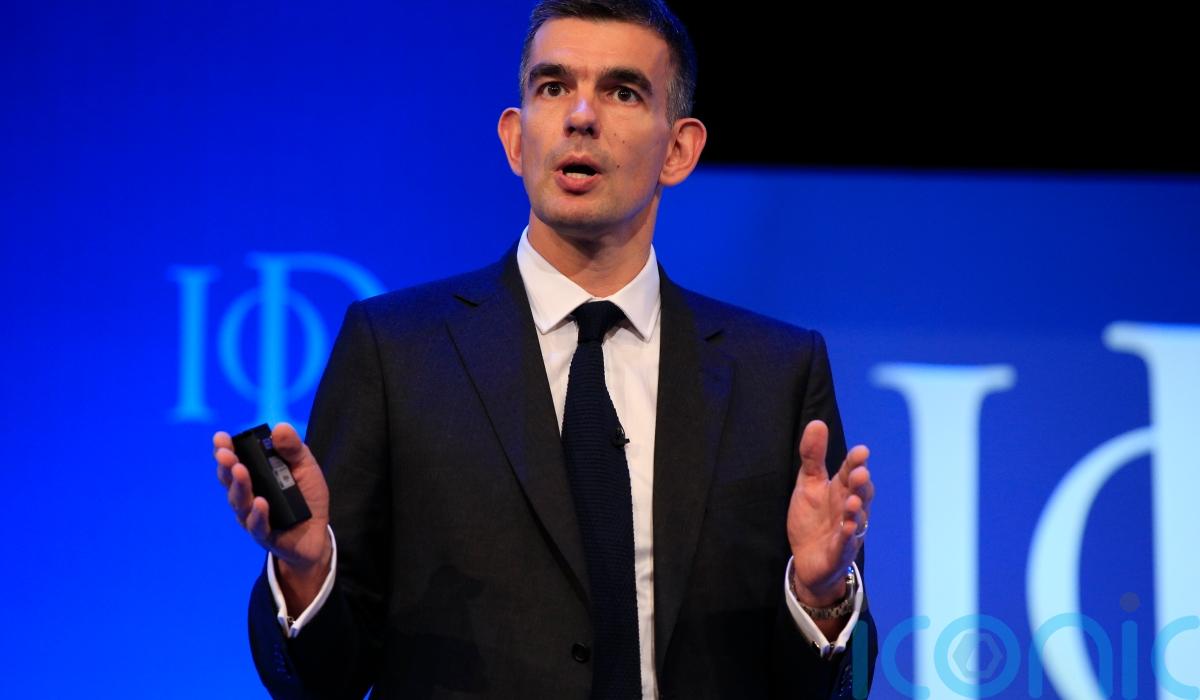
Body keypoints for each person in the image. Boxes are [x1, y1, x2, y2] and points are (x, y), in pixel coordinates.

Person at [214, 1, 878, 697]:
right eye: (554, 86)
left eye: (622, 92)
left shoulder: (776, 374)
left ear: (678, 150)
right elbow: (326, 681)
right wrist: (307, 572)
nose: (581, 116)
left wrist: (821, 595)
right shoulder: (395, 352)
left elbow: (850, 679)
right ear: (515, 138)